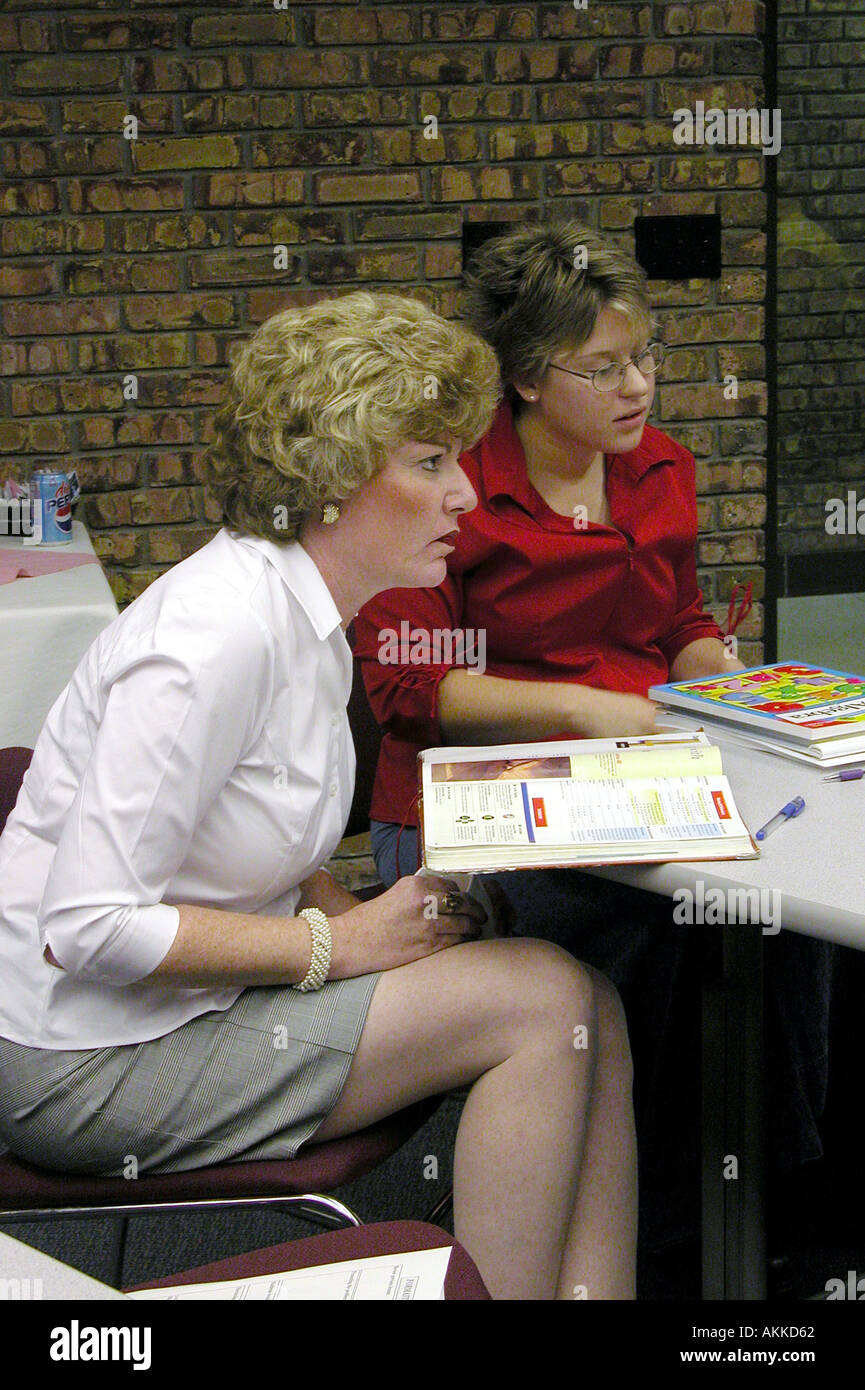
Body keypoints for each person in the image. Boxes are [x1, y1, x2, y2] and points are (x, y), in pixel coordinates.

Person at [0, 290, 636, 1301]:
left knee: (585, 998)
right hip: (84, 1057)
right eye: (429, 463)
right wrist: (341, 947)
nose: (464, 493)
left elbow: (245, 846)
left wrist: (353, 910)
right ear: (331, 480)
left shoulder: (306, 611)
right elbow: (84, 925)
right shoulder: (213, 638)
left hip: (177, 1009)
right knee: (542, 1001)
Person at [353, 224, 836, 1260]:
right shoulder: (451, 483)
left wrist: (732, 690)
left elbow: (680, 624)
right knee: (648, 923)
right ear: (526, 377)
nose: (639, 386)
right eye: (604, 368)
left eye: (645, 359)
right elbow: (408, 684)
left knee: (795, 913)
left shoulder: (660, 467)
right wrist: (578, 708)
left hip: (646, 773)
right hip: (469, 801)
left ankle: (781, 1190)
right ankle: (653, 1223)